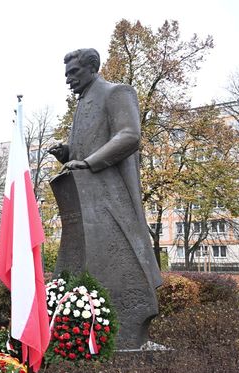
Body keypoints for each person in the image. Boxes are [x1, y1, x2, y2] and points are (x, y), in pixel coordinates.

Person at [49, 48, 162, 349]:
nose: (68, 80)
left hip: (111, 196)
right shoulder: (81, 106)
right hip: (85, 198)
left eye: (73, 73)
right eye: (66, 75)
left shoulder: (117, 93)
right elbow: (80, 150)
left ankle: (127, 329)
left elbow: (129, 136)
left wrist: (88, 162)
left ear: (91, 68)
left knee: (119, 256)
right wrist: (67, 153)